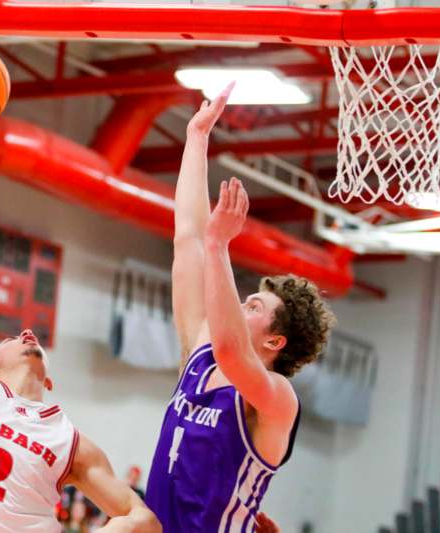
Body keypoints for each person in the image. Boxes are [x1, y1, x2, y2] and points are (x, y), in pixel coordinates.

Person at [0, 103, 159, 533]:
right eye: (11, 337)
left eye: (31, 337)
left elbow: (143, 520)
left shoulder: (69, 441)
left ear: (50, 382)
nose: (27, 332)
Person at [144, 84, 336, 532]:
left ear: (275, 340)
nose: (237, 305)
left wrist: (219, 246)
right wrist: (196, 138)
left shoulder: (276, 399)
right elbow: (187, 239)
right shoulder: (200, 356)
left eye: (253, 305)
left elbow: (233, 352)